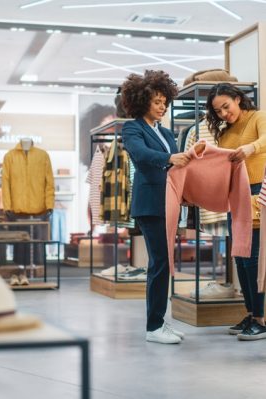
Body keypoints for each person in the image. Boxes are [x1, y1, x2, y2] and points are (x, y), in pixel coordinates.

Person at [121, 70, 190, 344]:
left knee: (165, 263)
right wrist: (171, 157)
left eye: (164, 102)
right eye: (157, 101)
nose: (162, 107)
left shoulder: (164, 131)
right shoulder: (132, 127)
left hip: (169, 202)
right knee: (160, 263)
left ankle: (161, 321)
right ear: (142, 100)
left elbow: (175, 167)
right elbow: (141, 155)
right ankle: (153, 327)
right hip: (150, 204)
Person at [206, 82, 266, 340]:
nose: (223, 114)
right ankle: (251, 312)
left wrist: (250, 148)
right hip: (236, 197)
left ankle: (261, 319)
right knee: (240, 258)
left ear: (238, 99)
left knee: (254, 260)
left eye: (226, 107)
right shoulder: (225, 133)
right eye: (218, 111)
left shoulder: (258, 117)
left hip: (257, 194)